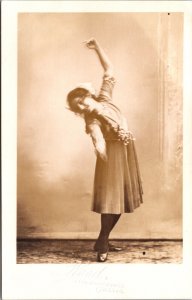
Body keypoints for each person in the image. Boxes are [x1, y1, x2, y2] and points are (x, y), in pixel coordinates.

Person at [66, 38, 143, 262]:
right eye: (78, 106)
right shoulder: (91, 120)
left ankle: (103, 240)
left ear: (87, 95)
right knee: (112, 201)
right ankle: (102, 243)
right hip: (111, 158)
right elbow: (96, 136)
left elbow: (109, 70)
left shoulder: (105, 98)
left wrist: (97, 47)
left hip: (126, 152)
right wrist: (99, 148)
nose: (83, 106)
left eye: (82, 101)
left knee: (121, 202)